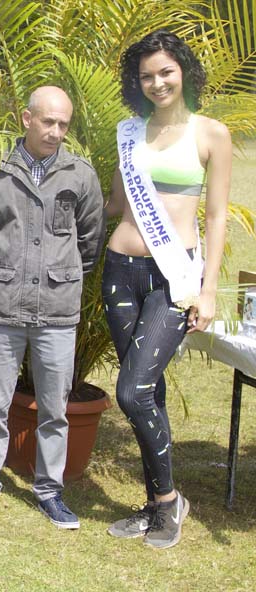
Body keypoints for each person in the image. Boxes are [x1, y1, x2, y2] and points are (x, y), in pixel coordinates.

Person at [0, 86, 105, 529]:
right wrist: (4, 274)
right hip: (3, 307)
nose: (56, 132)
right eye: (48, 122)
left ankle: (50, 490)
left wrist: (61, 273)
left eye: (63, 124)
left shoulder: (81, 175)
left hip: (57, 310)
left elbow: (90, 241)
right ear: (26, 118)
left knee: (55, 408)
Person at [102, 30, 230, 549]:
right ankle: (158, 503)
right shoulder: (128, 133)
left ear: (184, 72)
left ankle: (169, 501)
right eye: (147, 75)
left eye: (166, 72)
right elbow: (114, 203)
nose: (157, 82)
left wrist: (209, 288)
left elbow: (217, 216)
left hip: (174, 278)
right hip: (119, 269)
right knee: (146, 392)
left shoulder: (210, 134)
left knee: (130, 390)